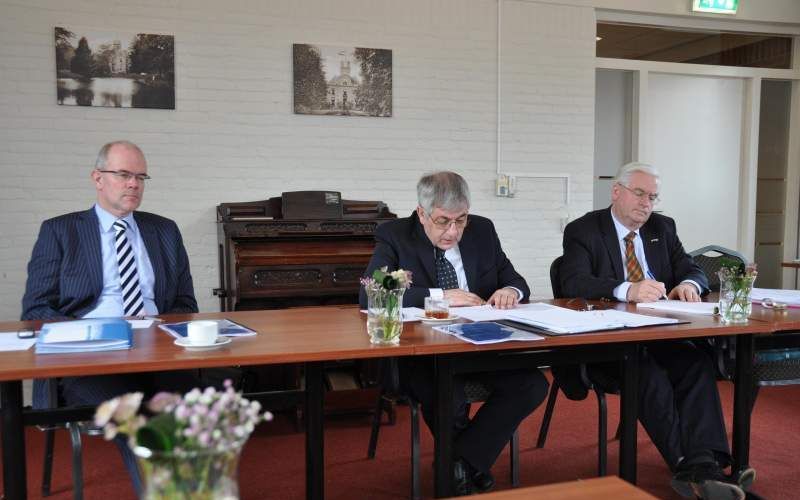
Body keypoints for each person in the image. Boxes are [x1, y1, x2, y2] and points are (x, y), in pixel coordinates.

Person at [558, 162, 753, 500]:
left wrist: (690, 283)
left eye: (653, 196)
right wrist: (626, 289)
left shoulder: (662, 227)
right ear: (616, 192)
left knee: (695, 363)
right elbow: (572, 281)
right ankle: (691, 467)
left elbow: (690, 268)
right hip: (609, 343)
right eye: (639, 193)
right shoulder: (584, 230)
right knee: (645, 372)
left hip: (659, 332)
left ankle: (703, 465)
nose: (646, 203)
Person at [21, 140, 199, 495]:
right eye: (123, 174)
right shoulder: (60, 231)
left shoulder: (164, 231)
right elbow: (36, 310)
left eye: (141, 177)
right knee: (137, 419)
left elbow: (184, 303)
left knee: (185, 410)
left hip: (158, 353)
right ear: (98, 178)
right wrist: (91, 336)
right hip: (91, 359)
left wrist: (161, 336)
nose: (134, 184)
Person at [360, 171, 549, 496]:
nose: (452, 232)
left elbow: (518, 281)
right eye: (443, 221)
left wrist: (510, 291)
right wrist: (440, 296)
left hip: (482, 344)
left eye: (460, 221)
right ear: (422, 213)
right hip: (422, 351)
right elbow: (372, 292)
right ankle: (466, 468)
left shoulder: (483, 230)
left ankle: (460, 464)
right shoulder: (394, 234)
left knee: (531, 385)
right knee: (448, 392)